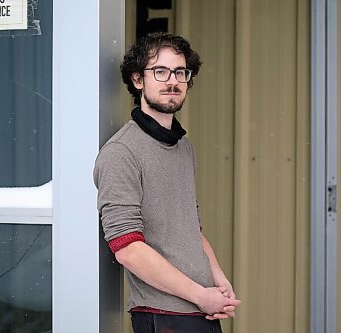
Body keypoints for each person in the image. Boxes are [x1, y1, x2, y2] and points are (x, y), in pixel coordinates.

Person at [93, 32, 240, 333]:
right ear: (137, 80)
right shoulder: (121, 153)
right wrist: (201, 295)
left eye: (180, 72)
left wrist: (218, 280)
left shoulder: (183, 147)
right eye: (159, 71)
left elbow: (190, 228)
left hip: (201, 310)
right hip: (162, 316)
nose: (172, 81)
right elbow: (127, 248)